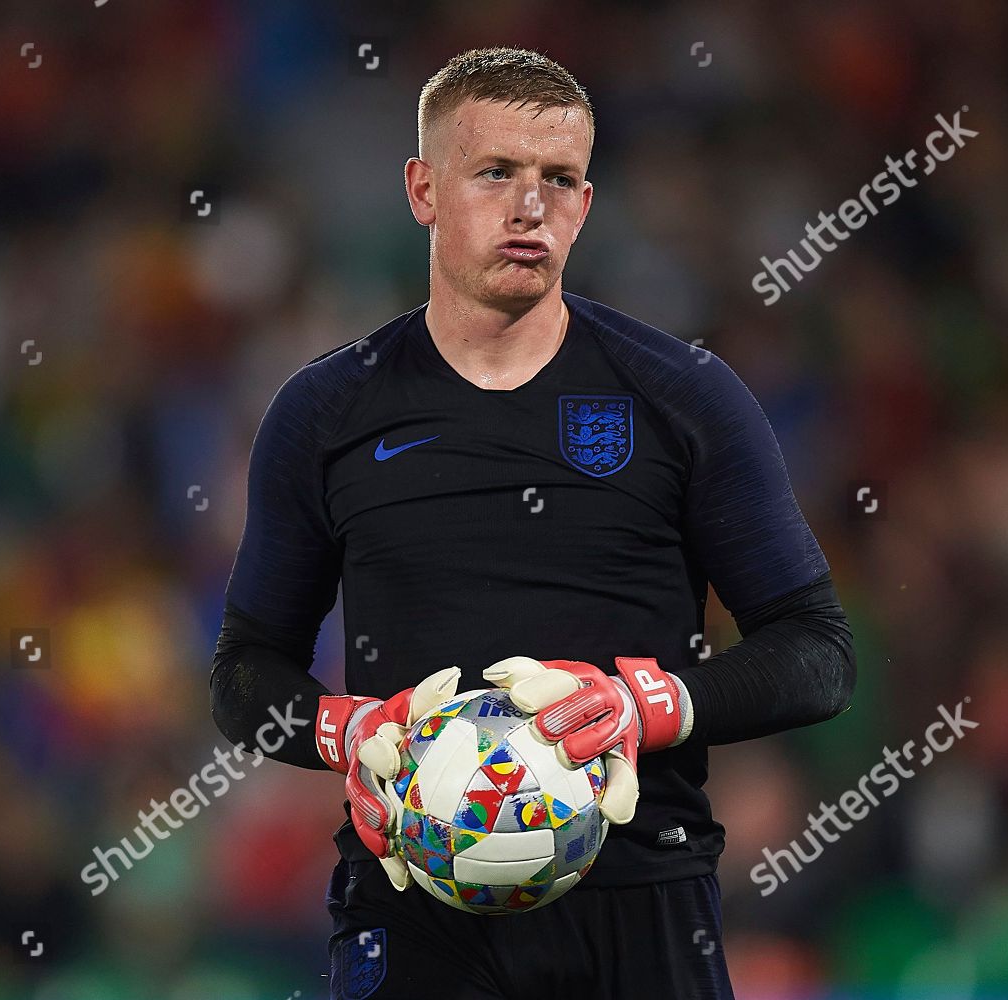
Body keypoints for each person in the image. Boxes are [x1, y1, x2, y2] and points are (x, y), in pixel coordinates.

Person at [210, 46, 856, 1000]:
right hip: (412, 911)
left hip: (640, 903)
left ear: (586, 207)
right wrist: (344, 731)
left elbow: (817, 654)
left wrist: (651, 706)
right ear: (423, 190)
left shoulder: (686, 398)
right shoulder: (325, 413)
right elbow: (243, 673)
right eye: (496, 172)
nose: (529, 206)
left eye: (558, 179)